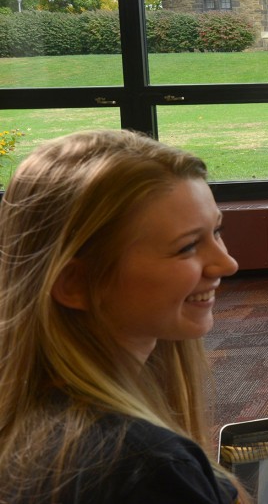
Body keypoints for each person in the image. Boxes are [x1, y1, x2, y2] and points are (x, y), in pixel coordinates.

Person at [0, 130, 243, 503]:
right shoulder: (144, 466)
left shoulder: (37, 421)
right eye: (187, 246)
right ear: (74, 284)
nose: (227, 263)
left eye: (217, 231)